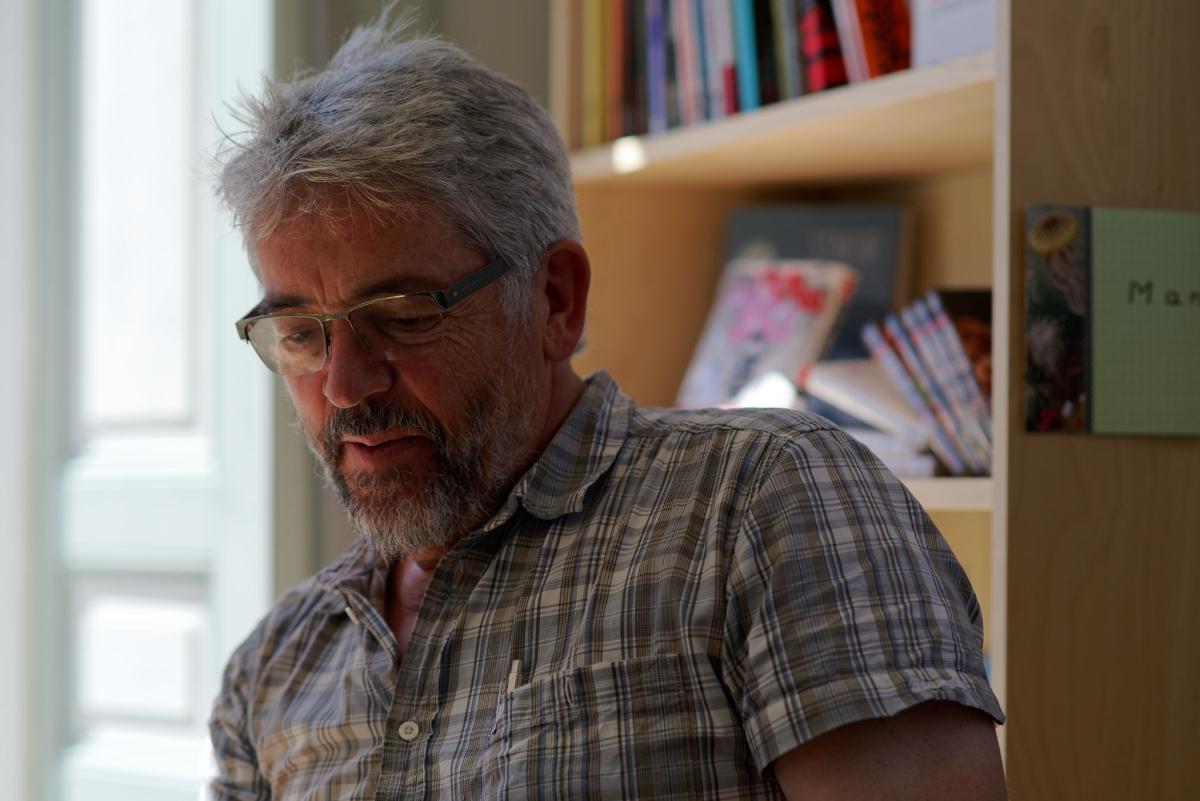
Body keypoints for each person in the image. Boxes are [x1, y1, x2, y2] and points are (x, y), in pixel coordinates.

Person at [208, 13, 1006, 801]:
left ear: (556, 299)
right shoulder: (276, 665)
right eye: (301, 333)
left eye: (406, 313)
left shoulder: (767, 505)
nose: (344, 385)